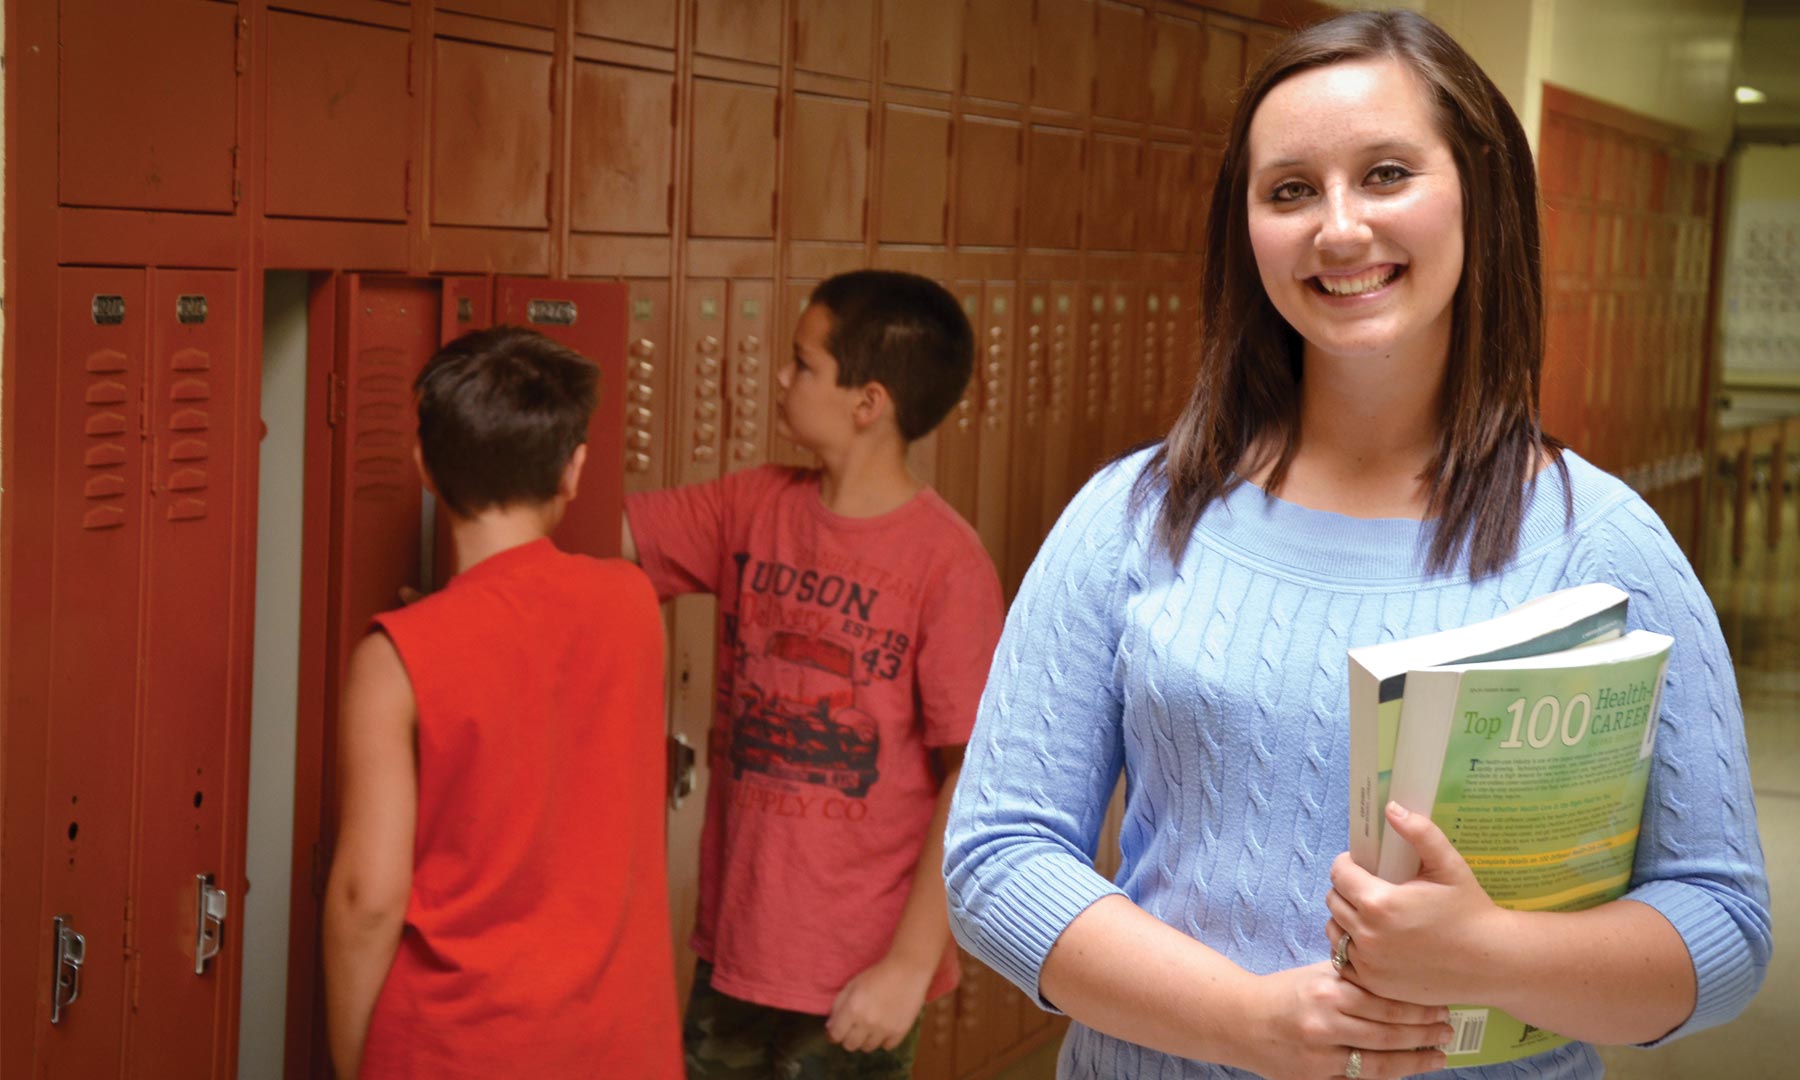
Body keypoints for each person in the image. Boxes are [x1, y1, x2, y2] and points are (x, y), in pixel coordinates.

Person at [943, 10, 1770, 1080]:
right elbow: (999, 860)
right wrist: (1241, 1022)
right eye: (1289, 190)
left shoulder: (1601, 545)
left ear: (1480, 192)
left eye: (1385, 174)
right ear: (1245, 228)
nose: (1338, 229)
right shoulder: (1133, 517)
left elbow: (1723, 925)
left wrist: (1492, 954)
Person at [623, 269, 1005, 1077]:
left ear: (867, 402)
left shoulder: (947, 565)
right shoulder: (751, 507)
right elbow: (607, 540)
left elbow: (972, 780)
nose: (782, 379)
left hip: (859, 977)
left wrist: (908, 967)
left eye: (802, 363)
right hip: (736, 952)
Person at [323, 326, 681, 1079]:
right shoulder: (632, 603)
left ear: (425, 465)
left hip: (459, 1047)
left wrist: (359, 1064)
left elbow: (368, 899)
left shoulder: (394, 660)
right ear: (573, 471)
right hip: (621, 1045)